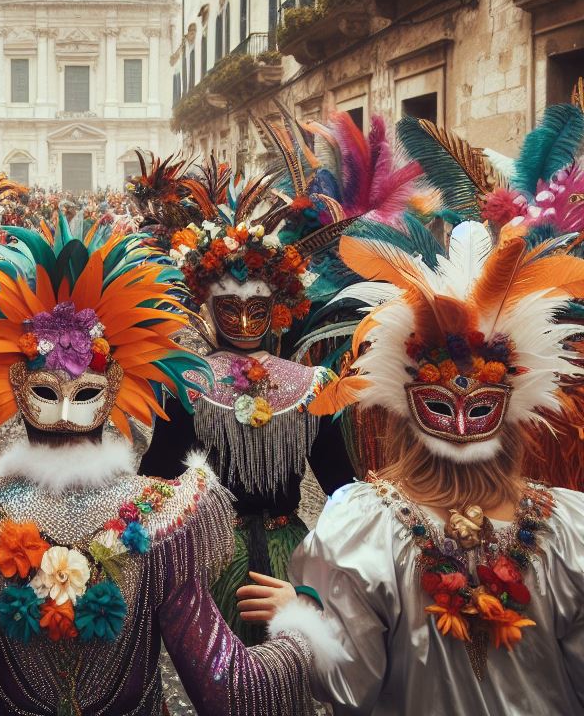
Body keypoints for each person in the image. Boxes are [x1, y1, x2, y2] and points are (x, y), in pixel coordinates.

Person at [0, 220, 321, 716]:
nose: (66, 410)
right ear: (21, 390)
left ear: (111, 387)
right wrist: (300, 628)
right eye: (49, 391)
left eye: (82, 391)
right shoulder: (160, 517)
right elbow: (233, 691)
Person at [240, 220, 584, 714]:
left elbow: (346, 684)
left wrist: (299, 620)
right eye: (443, 407)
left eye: (480, 407)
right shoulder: (570, 528)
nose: (462, 424)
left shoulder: (363, 529)